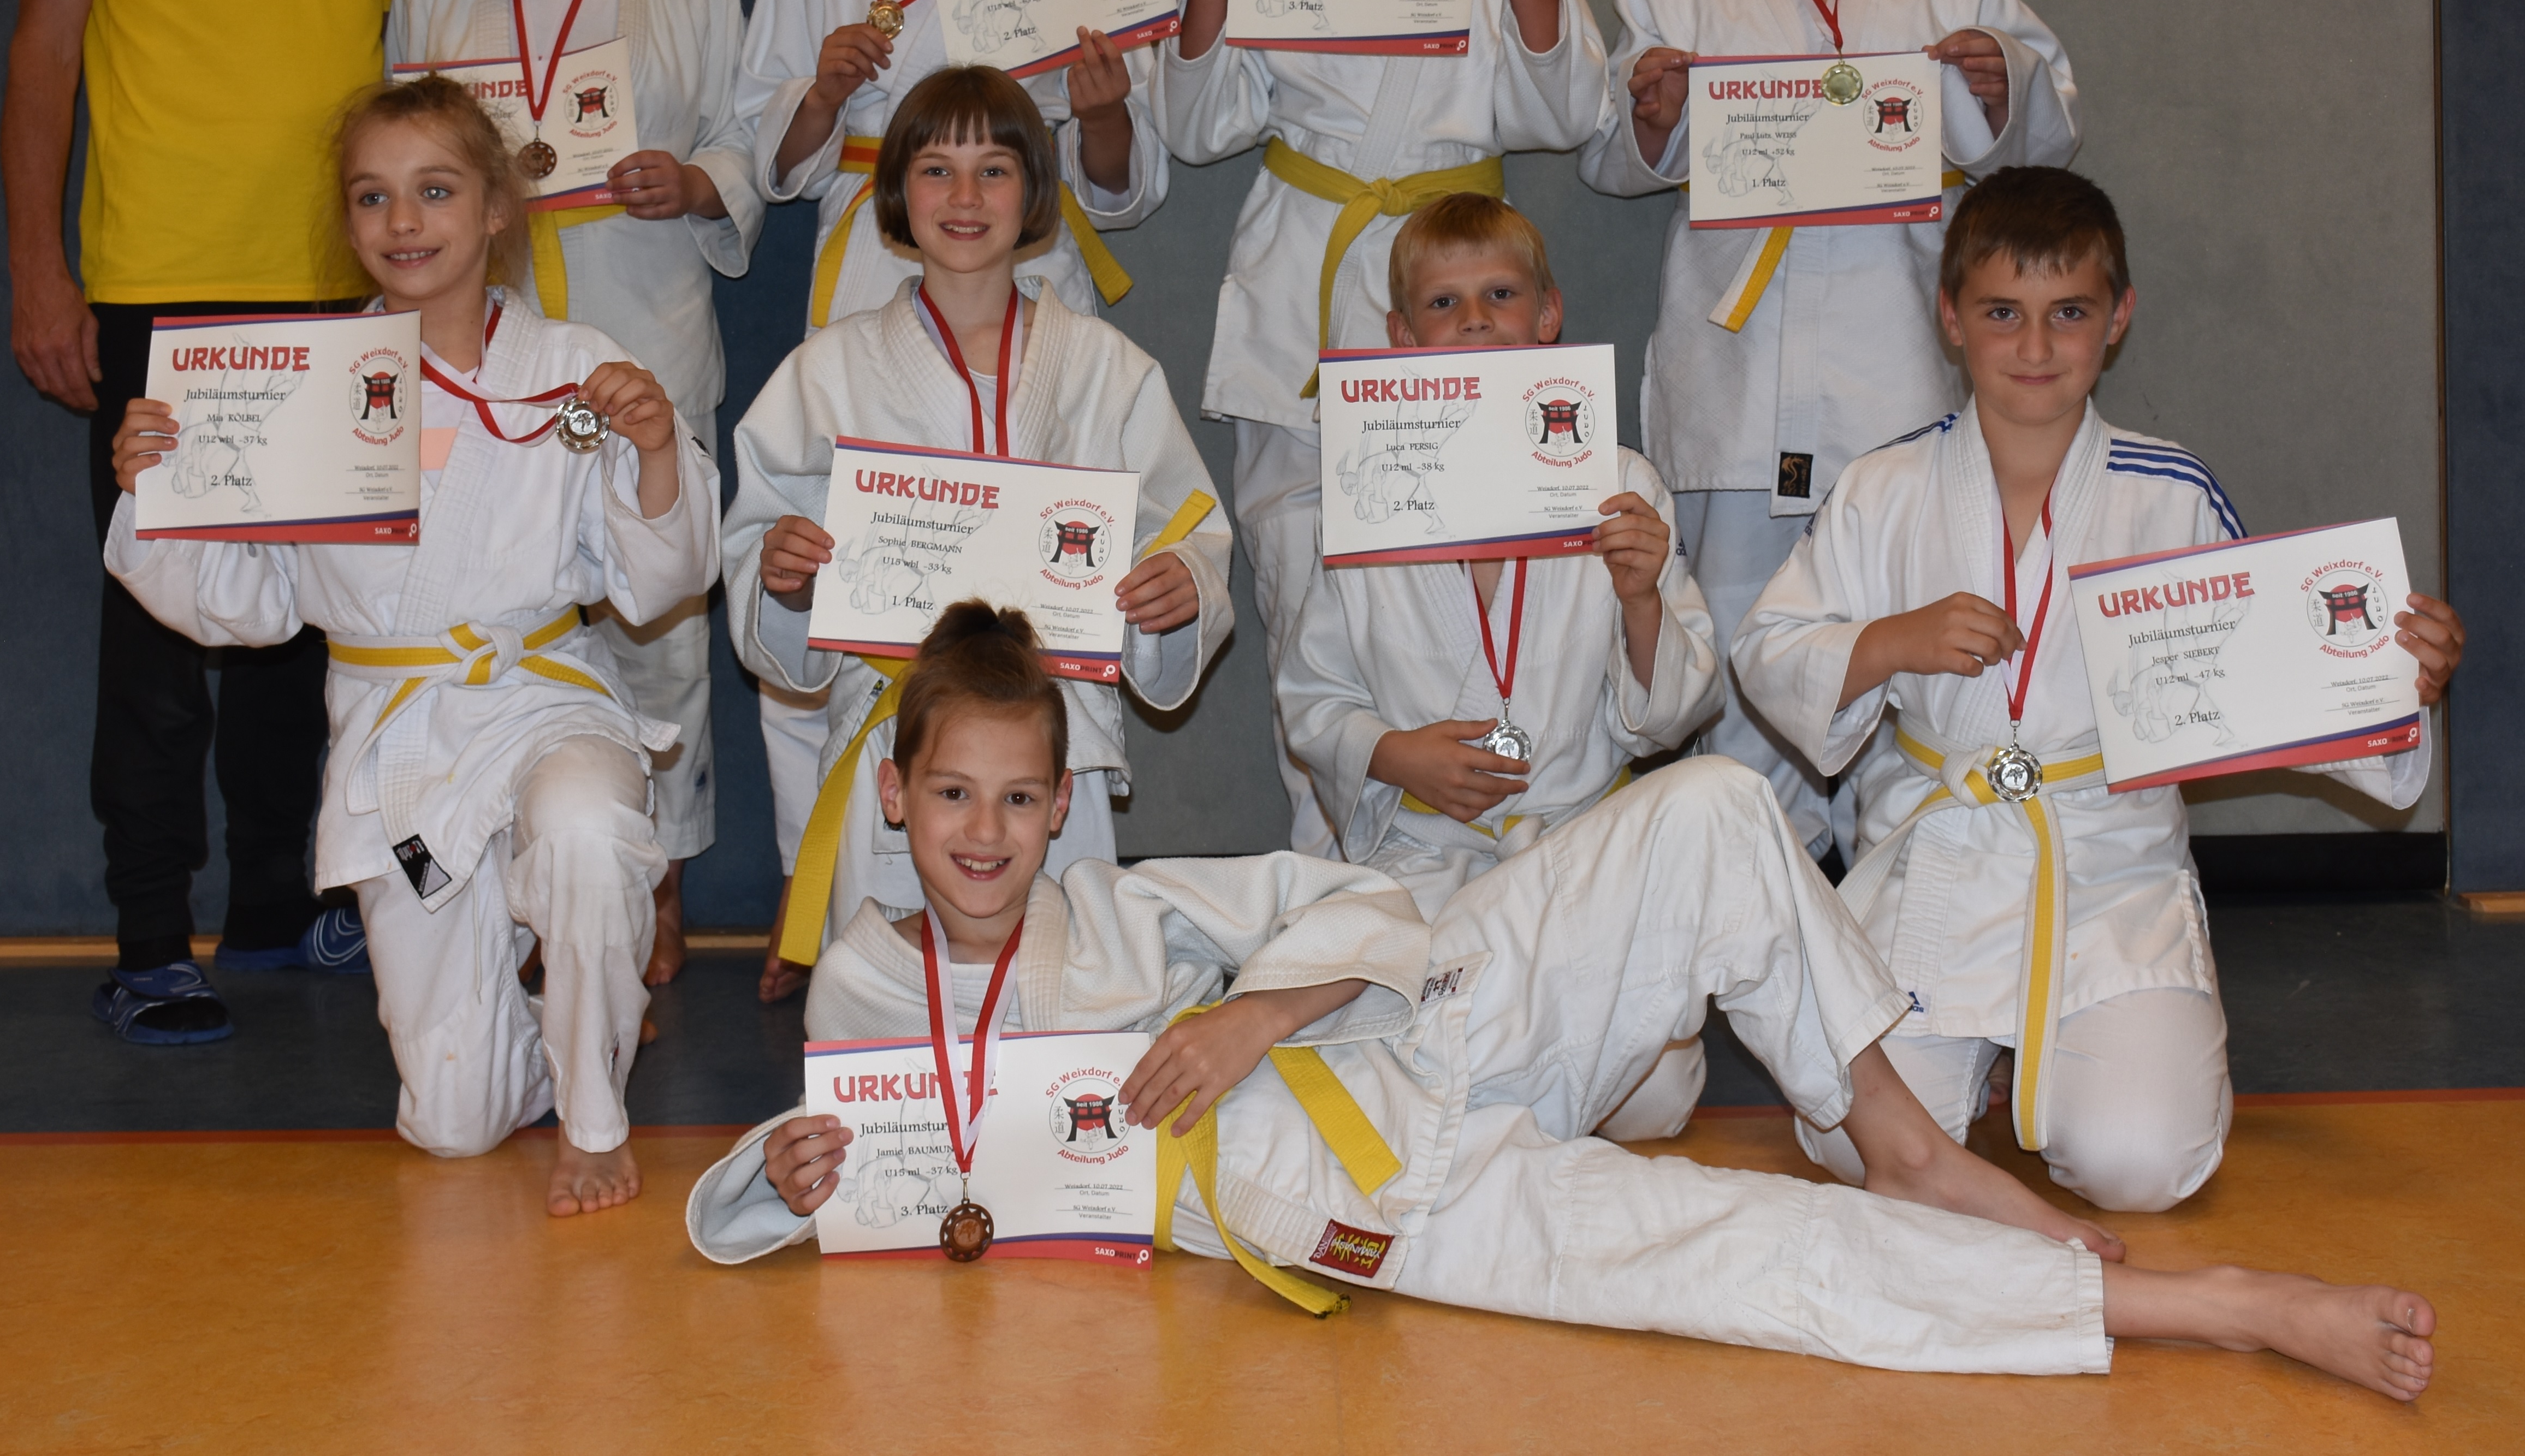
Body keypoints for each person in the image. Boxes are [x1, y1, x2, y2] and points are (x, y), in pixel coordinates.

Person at [686, 602, 2438, 1403]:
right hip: (1361, 1202)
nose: (983, 832)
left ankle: (1901, 1135)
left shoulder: (1121, 906)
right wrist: (782, 1174)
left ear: (1064, 802)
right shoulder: (866, 978)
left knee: (1710, 805)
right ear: (895, 798)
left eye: (1017, 797)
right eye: (950, 796)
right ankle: (2205, 1307)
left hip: (1420, 1033)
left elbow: (1366, 905)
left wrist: (1248, 1017)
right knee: (1745, 1267)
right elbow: (823, 1161)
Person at [1733, 169, 2465, 1213]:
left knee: (2140, 1165)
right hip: (1936, 863)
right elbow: (1770, 647)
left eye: (2068, 313)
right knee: (1860, 1155)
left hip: (2106, 865)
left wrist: (2394, 676)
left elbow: (2262, 671)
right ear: (1950, 317)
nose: (2034, 346)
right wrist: (1891, 641)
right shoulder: (1880, 489)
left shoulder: (2169, 491)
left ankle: (2096, 1044)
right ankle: (1984, 1056)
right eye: (2002, 312)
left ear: (2116, 319)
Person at [104, 76, 719, 1215]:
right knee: (453, 1125)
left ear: (496, 207)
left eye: (435, 190)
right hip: (400, 738)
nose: (403, 221)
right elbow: (249, 606)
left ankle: (594, 1112)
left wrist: (652, 451)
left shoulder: (574, 365)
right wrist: (158, 493)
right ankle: (550, 1036)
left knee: (585, 830)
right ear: (347, 222)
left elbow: (662, 580)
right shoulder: (298, 388)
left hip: (543, 695)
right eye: (372, 196)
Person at [2, 0, 420, 1043]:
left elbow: (387, 82)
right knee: (162, 631)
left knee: (307, 626)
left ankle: (276, 909)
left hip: (339, 302)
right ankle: (147, 937)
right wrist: (39, 271)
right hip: (160, 298)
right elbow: (45, 56)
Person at [1578, 0, 2080, 869]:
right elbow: (1608, 155)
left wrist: (2002, 83)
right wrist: (1654, 114)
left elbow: (2051, 130)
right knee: (1746, 652)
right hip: (1737, 377)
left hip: (1893, 367)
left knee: (1903, 645)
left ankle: (1905, 894)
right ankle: (1757, 908)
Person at [734, 0, 1168, 984]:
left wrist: (1102, 112)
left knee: (1038, 575)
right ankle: (830, 893)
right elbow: (770, 167)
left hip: (1032, 287)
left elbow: (1126, 184)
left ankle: (1048, 880)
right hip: (874, 282)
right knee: (846, 584)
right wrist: (823, 94)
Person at [1163, 0, 1610, 857]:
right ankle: (1331, 895)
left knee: (1471, 598)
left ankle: (1489, 865)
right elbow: (1199, 128)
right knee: (1310, 610)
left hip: (1462, 303)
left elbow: (1572, 110)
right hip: (1303, 316)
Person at [387, 0, 756, 987]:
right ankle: (518, 888)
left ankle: (656, 887)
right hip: (480, 351)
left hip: (639, 332)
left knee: (659, 626)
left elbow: (745, 140)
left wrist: (694, 181)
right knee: (498, 609)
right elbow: (400, 153)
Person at [724, 66, 1231, 992]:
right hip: (897, 744)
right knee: (892, 999)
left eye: (994, 170)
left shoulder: (1106, 369)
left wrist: (1182, 586)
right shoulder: (825, 372)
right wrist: (783, 577)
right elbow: (761, 540)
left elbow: (1189, 524)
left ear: (1035, 191)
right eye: (936, 170)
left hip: (1053, 741)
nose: (965, 196)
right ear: (895, 192)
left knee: (1063, 994)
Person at [1278, 194, 1723, 924]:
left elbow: (1676, 714)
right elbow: (1312, 692)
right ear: (1402, 336)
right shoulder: (1367, 496)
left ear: (1548, 316)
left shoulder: (1621, 487)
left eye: (1501, 294)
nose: (1475, 318)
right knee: (1346, 978)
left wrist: (1642, 599)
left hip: (1587, 836)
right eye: (1443, 302)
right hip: (1421, 850)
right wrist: (1392, 755)